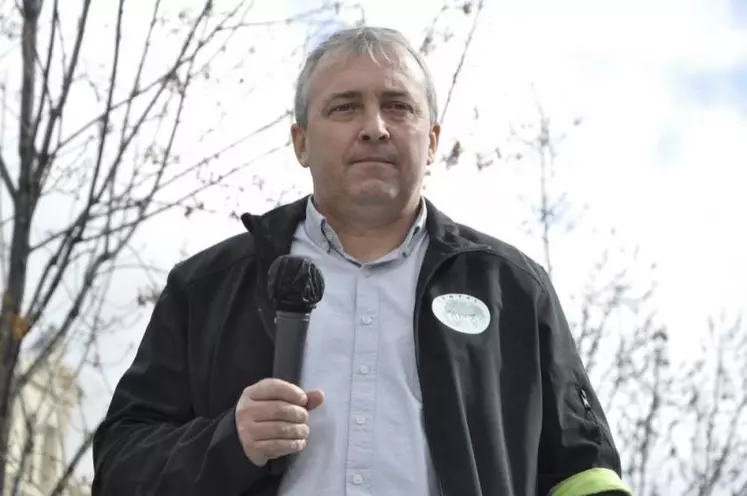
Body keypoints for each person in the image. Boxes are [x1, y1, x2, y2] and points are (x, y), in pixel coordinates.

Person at [92, 26, 632, 496]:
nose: (374, 126)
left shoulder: (513, 289)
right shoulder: (208, 286)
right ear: (301, 142)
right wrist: (229, 442)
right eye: (345, 106)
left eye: (398, 106)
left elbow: (582, 475)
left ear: (433, 140)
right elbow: (119, 467)